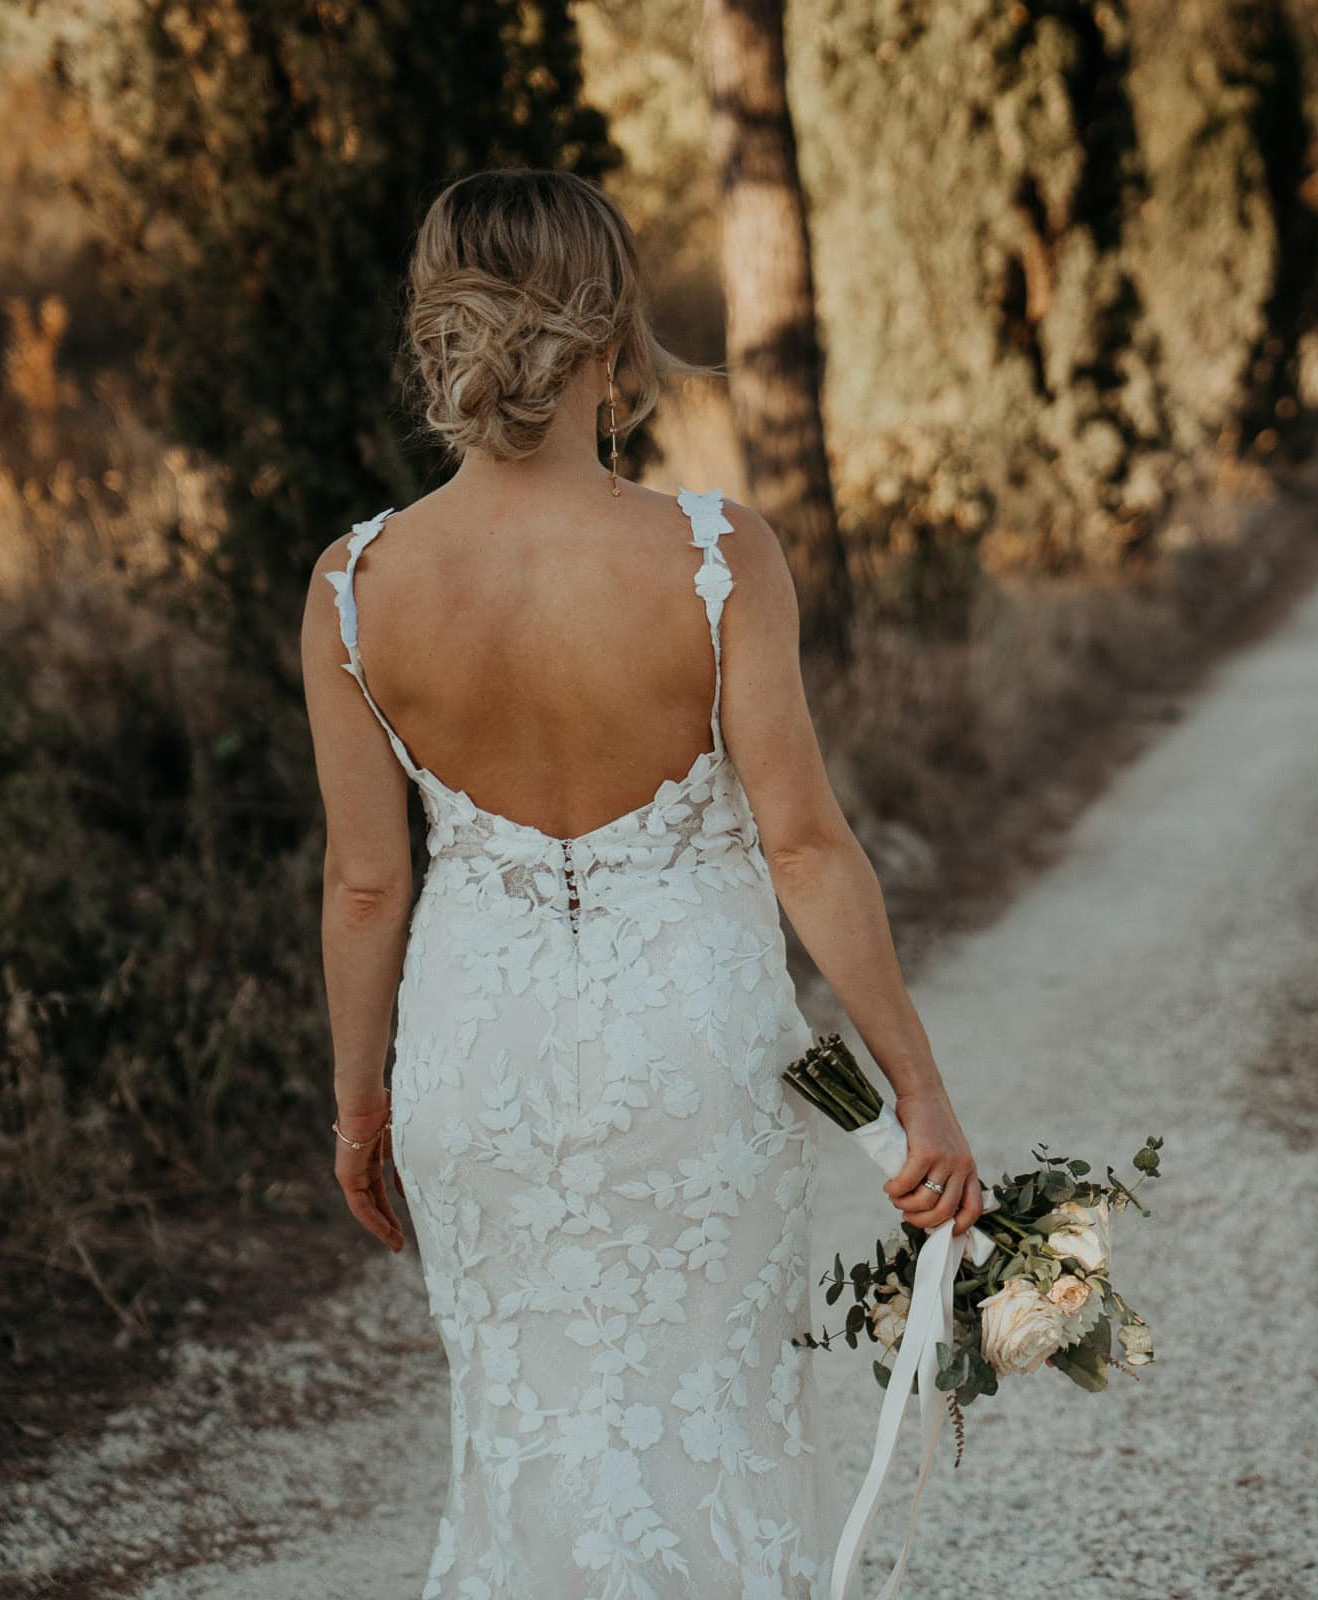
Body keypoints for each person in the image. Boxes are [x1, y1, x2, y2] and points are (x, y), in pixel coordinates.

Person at [299, 167, 983, 1599]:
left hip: (472, 1062)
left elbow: (368, 887)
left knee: (522, 1435)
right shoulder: (715, 557)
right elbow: (804, 842)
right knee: (712, 1419)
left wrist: (363, 1105)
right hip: (692, 1047)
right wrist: (912, 1084)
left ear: (443, 328)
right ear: (612, 331)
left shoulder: (356, 583)